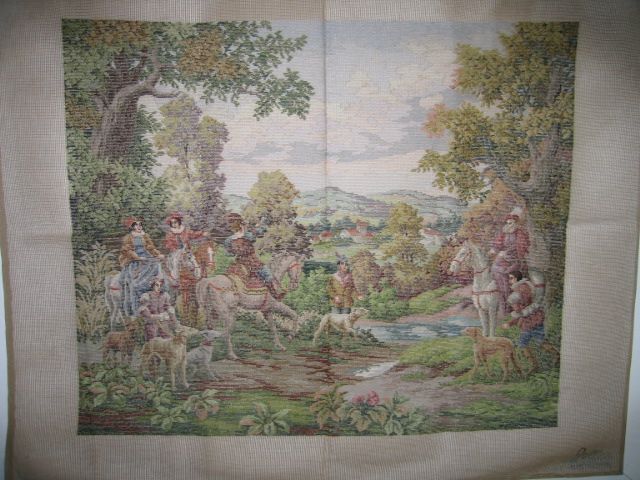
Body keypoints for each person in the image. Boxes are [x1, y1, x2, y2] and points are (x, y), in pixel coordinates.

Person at [502, 271, 559, 374]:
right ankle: (536, 364)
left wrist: (510, 322)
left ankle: (555, 357)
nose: (509, 281)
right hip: (530, 320)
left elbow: (522, 310)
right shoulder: (521, 288)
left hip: (532, 320)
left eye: (511, 278)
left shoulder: (522, 289)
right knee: (525, 343)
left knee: (535, 342)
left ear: (517, 278)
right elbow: (521, 311)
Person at [223, 213, 283, 300]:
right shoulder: (244, 235)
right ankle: (275, 295)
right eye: (230, 222)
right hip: (252, 262)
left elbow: (229, 253)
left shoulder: (229, 239)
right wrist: (261, 225)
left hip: (239, 262)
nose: (230, 224)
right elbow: (256, 235)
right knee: (267, 274)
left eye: (231, 222)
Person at [119, 217, 165, 317]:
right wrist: (138, 257)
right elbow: (127, 250)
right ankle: (135, 311)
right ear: (132, 227)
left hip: (146, 257)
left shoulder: (145, 236)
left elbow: (151, 248)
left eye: (140, 224)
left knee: (157, 266)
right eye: (136, 225)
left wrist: (158, 254)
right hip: (134, 260)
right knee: (134, 284)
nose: (139, 226)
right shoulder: (128, 237)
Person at [490, 212, 530, 314]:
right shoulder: (504, 232)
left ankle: (509, 301)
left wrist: (507, 252)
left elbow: (522, 246)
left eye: (511, 223)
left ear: (515, 223)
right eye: (507, 223)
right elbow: (498, 243)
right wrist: (494, 249)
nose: (508, 225)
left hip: (516, 258)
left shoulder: (520, 233)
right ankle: (500, 292)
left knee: (505, 272)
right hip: (504, 256)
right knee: (494, 267)